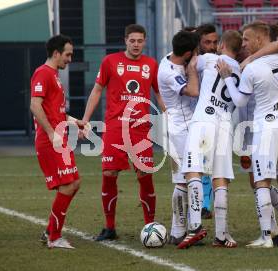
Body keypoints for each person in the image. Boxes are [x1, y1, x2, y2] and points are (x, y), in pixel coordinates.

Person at [217, 21, 278, 248]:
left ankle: (266, 237)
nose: (244, 44)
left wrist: (227, 77)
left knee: (261, 182)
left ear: (259, 40)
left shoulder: (251, 68)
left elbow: (240, 101)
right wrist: (277, 44)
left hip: (266, 129)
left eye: (247, 39)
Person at [80, 24, 165, 241]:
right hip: (116, 126)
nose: (136, 45)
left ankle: (149, 227)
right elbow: (97, 90)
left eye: (140, 41)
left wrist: (169, 115)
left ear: (144, 41)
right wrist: (85, 120)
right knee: (109, 174)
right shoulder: (110, 61)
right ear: (125, 40)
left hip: (140, 128)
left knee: (144, 175)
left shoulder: (151, 65)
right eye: (132, 40)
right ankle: (110, 228)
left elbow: (158, 93)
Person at [177, 30, 243, 249]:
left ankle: (194, 227)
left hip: (204, 119)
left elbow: (191, 65)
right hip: (225, 124)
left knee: (192, 170)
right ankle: (222, 235)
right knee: (221, 177)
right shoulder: (241, 72)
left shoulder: (210, 59)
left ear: (222, 44)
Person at [31, 34, 82, 249]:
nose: (70, 59)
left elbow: (56, 111)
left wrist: (75, 122)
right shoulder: (43, 73)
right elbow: (35, 105)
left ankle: (50, 231)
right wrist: (52, 133)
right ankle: (54, 237)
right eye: (68, 54)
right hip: (50, 140)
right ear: (56, 53)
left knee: (74, 183)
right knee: (68, 185)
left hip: (58, 138)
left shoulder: (54, 75)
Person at [157, 30, 200, 245]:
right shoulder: (169, 72)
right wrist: (192, 69)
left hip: (182, 127)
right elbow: (193, 91)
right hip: (180, 130)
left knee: (183, 181)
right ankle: (185, 228)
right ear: (187, 54)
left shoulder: (169, 56)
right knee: (186, 179)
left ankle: (178, 231)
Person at [195, 23, 220, 219]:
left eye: (215, 42)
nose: (212, 46)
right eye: (207, 42)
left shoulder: (218, 62)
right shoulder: (192, 61)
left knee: (206, 163)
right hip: (188, 118)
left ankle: (205, 205)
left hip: (209, 119)